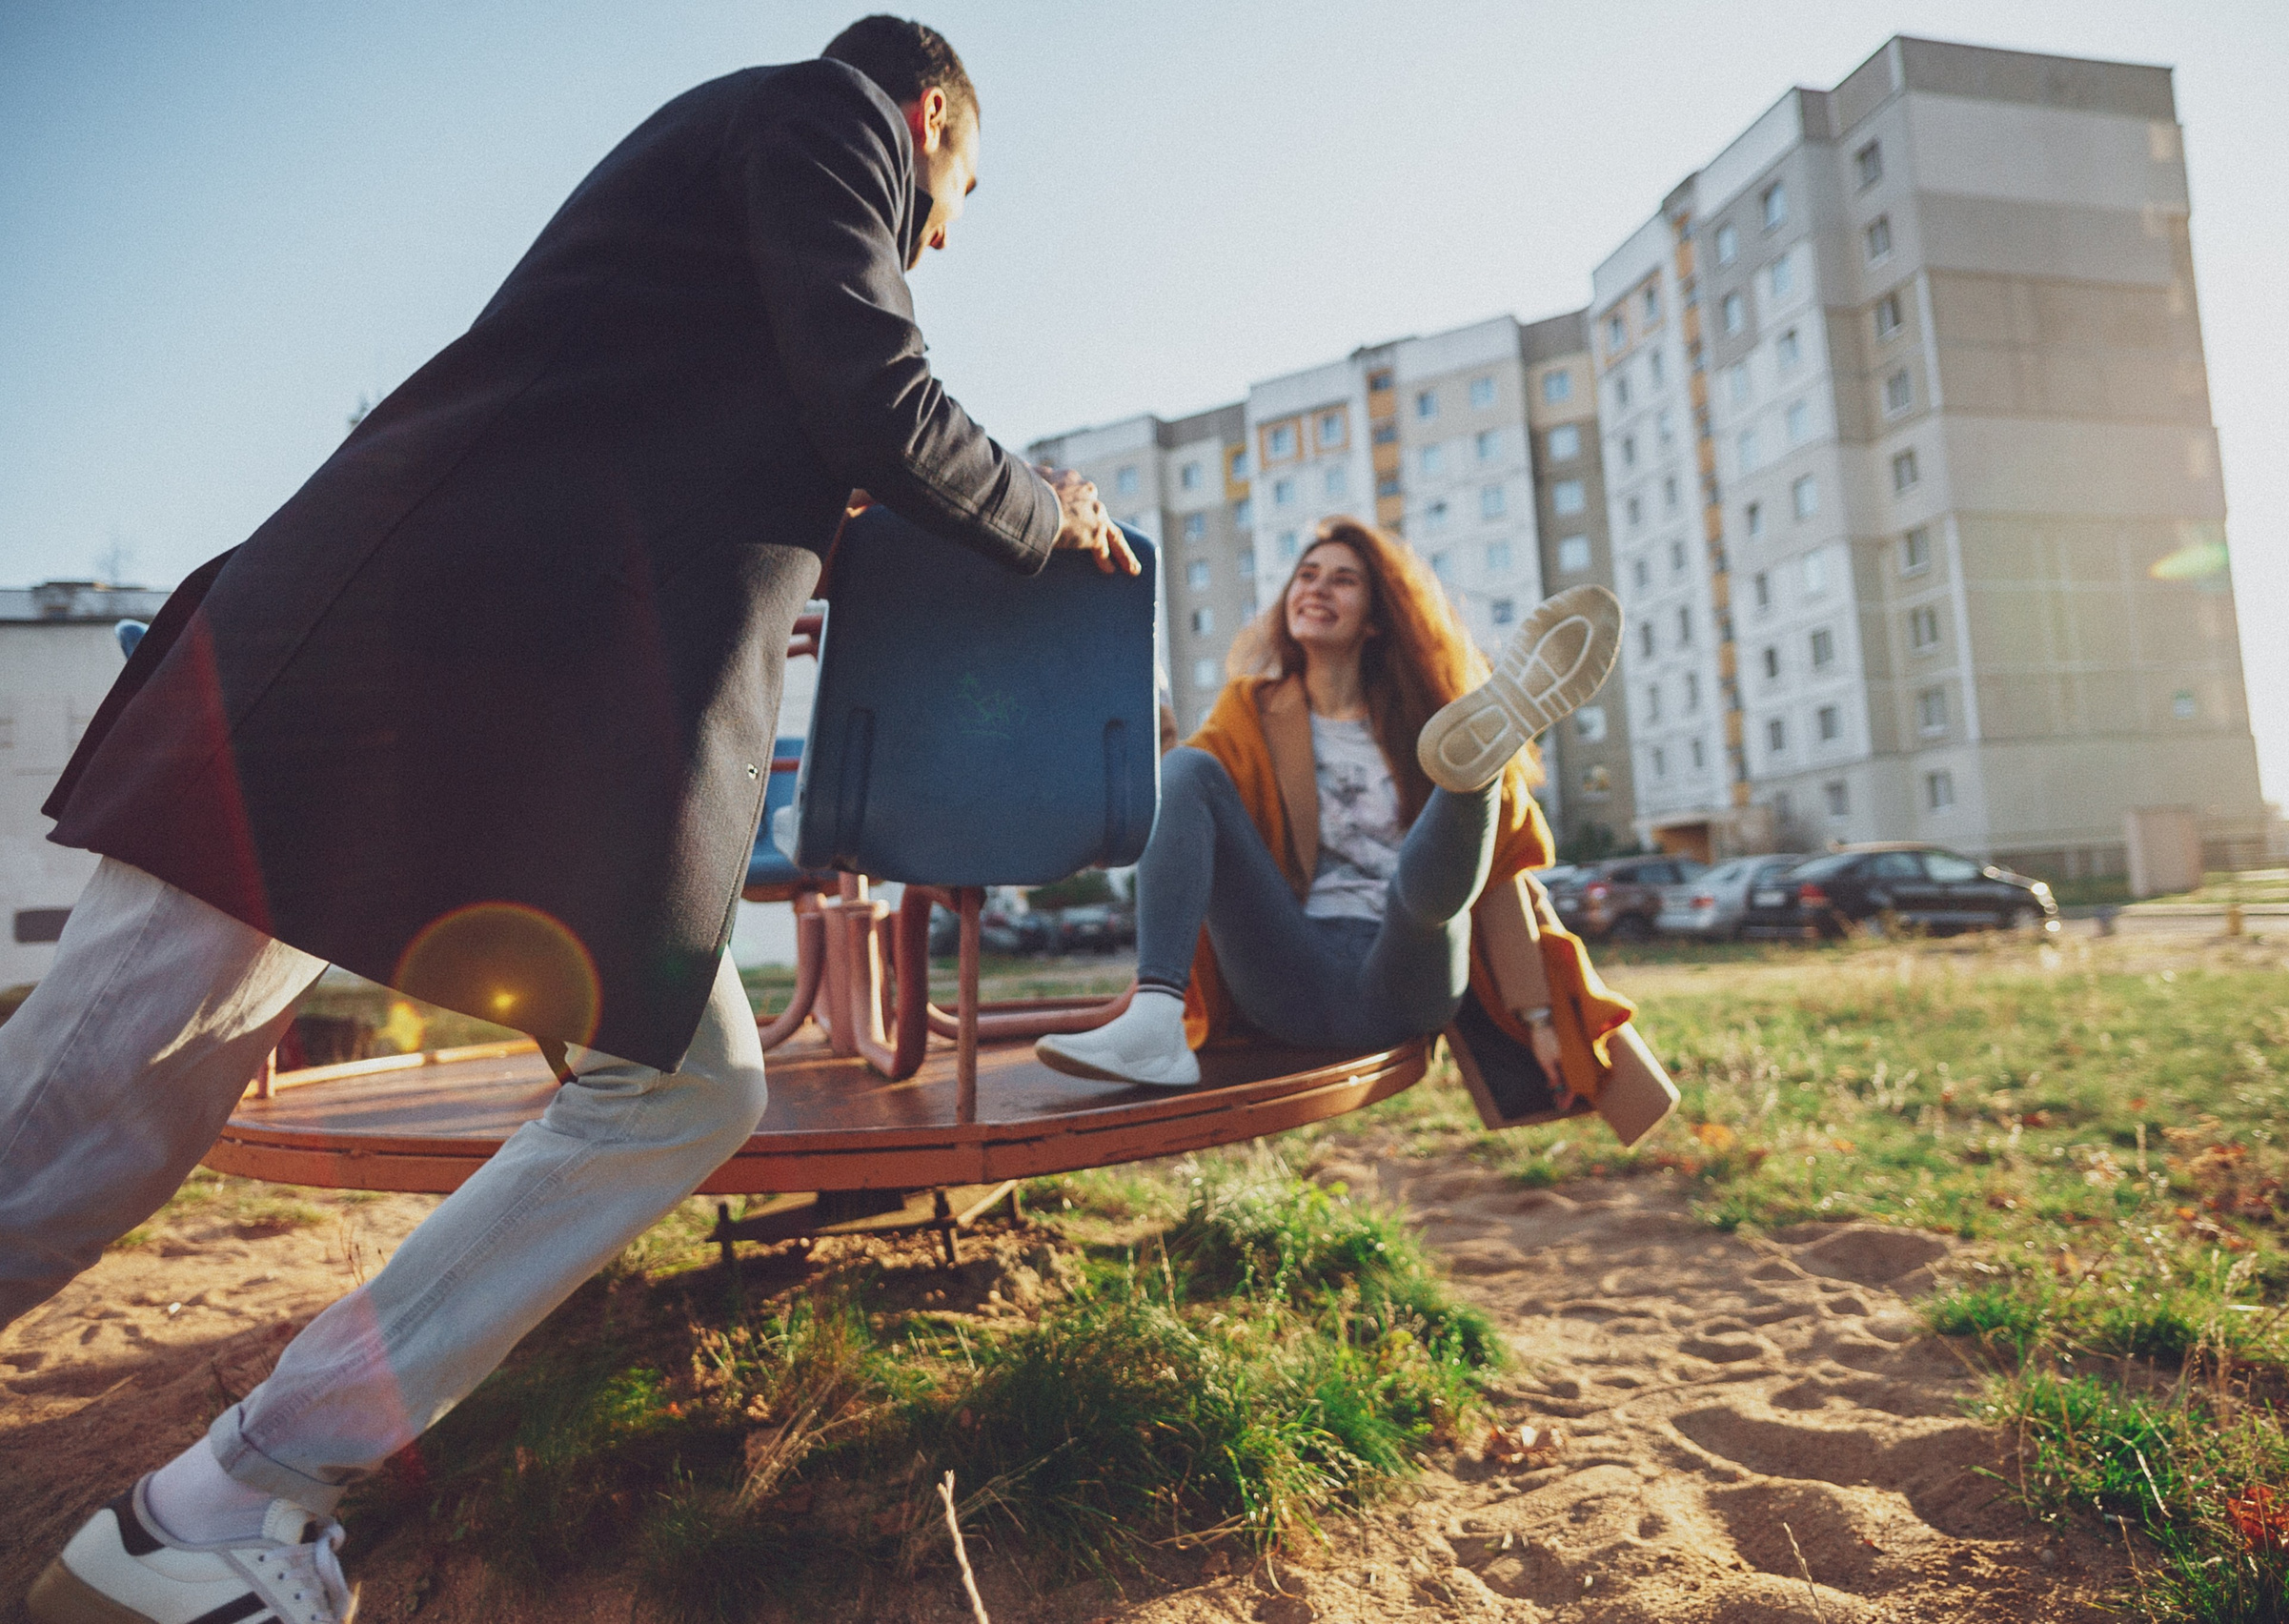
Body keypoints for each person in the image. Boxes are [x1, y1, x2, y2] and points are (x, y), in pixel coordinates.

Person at [13, 18, 1129, 1624]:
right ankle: (226, 1494)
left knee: (679, 1090)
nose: (948, 228)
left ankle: (232, 1489)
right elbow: (881, 393)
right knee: (81, 1129)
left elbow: (724, 440)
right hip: (353, 675)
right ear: (933, 114)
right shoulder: (830, 124)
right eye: (963, 185)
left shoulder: (739, 231)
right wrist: (1047, 506)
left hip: (458, 710)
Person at [1037, 519, 1632, 1096]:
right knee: (1187, 769)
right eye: (1307, 575)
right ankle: (1156, 1019)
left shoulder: (1424, 725)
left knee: (1423, 888)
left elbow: (1502, 878)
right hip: (1290, 969)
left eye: (1343, 580)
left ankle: (1476, 777)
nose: (1318, 588)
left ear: (1377, 617)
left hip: (1406, 970)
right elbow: (1185, 813)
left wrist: (1540, 1018)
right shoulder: (1252, 710)